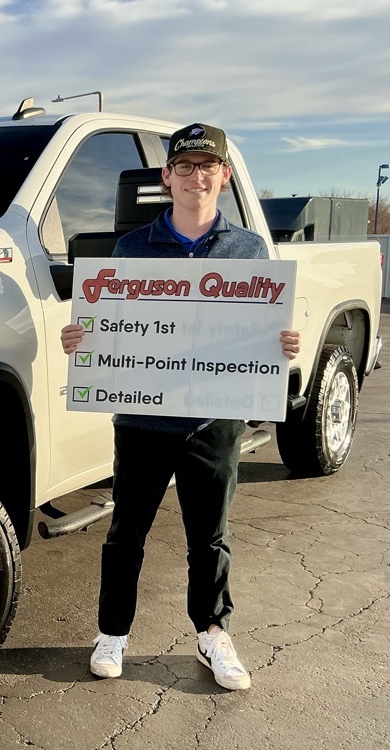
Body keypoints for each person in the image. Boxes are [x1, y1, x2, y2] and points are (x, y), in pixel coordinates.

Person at [60, 122, 301, 690]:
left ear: (226, 176)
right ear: (167, 177)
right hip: (142, 418)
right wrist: (83, 341)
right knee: (126, 530)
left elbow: (262, 329)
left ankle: (212, 632)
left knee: (209, 535)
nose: (197, 177)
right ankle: (113, 632)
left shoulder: (248, 249)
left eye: (207, 167)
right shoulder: (132, 249)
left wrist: (283, 344)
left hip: (215, 417)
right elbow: (110, 330)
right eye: (185, 167)